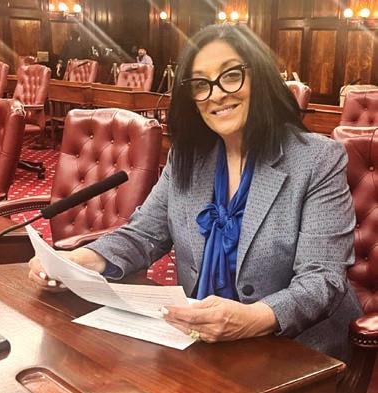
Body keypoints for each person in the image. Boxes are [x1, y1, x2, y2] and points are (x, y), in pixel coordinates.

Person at [29, 24, 361, 362]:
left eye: (231, 76)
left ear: (259, 77)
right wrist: (81, 261)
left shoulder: (317, 159)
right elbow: (144, 234)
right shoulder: (188, 156)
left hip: (295, 349)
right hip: (202, 340)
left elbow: (322, 278)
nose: (216, 94)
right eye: (201, 84)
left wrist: (254, 318)